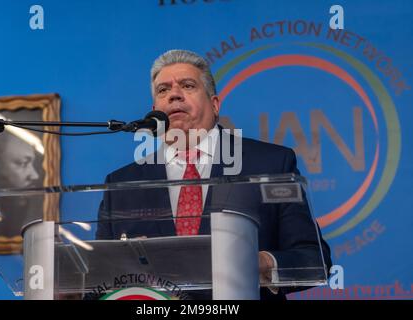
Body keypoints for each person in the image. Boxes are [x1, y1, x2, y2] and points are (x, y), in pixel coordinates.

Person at [97, 49, 332, 300]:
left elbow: (314, 260)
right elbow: (99, 279)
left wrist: (261, 262)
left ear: (214, 104)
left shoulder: (270, 164)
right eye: (163, 90)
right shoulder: (122, 184)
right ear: (154, 111)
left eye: (187, 85)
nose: (174, 95)